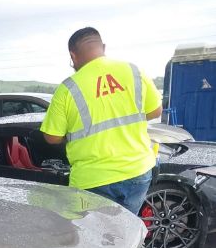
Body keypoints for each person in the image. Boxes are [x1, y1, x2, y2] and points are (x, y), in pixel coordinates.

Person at [40, 27, 162, 214]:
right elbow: (155, 111)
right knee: (127, 232)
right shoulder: (133, 71)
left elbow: (51, 137)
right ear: (103, 47)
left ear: (73, 56)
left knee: (94, 236)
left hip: (93, 180)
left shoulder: (68, 88)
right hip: (138, 171)